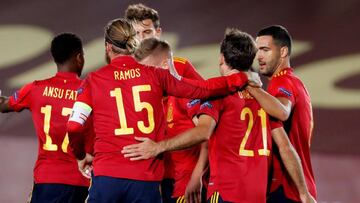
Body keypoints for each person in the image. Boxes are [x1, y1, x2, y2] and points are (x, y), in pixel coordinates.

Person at [66, 18, 260, 203]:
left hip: (107, 177)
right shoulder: (157, 75)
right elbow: (202, 89)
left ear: (108, 46)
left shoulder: (93, 80)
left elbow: (74, 127)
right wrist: (240, 78)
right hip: (146, 179)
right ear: (133, 43)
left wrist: (81, 156)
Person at [122, 28, 316, 203]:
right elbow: (285, 145)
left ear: (222, 58)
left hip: (225, 191)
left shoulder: (219, 95)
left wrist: (158, 147)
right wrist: (304, 192)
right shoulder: (264, 101)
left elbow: (203, 131)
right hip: (257, 195)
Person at [126, 4, 211, 202]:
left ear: (158, 32)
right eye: (136, 33)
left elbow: (207, 126)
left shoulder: (180, 68)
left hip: (185, 174)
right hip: (152, 177)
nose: (142, 38)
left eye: (146, 32)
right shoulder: (128, 76)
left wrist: (198, 174)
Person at [0, 33, 90, 203]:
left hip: (47, 179)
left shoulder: (35, 89)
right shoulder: (90, 91)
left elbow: (4, 105)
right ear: (79, 57)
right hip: (81, 181)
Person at [246, 25, 317, 203]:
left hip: (286, 188)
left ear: (283, 51)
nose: (259, 56)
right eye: (257, 50)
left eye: (265, 50)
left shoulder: (281, 82)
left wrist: (249, 85)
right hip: (299, 186)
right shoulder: (296, 82)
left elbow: (283, 111)